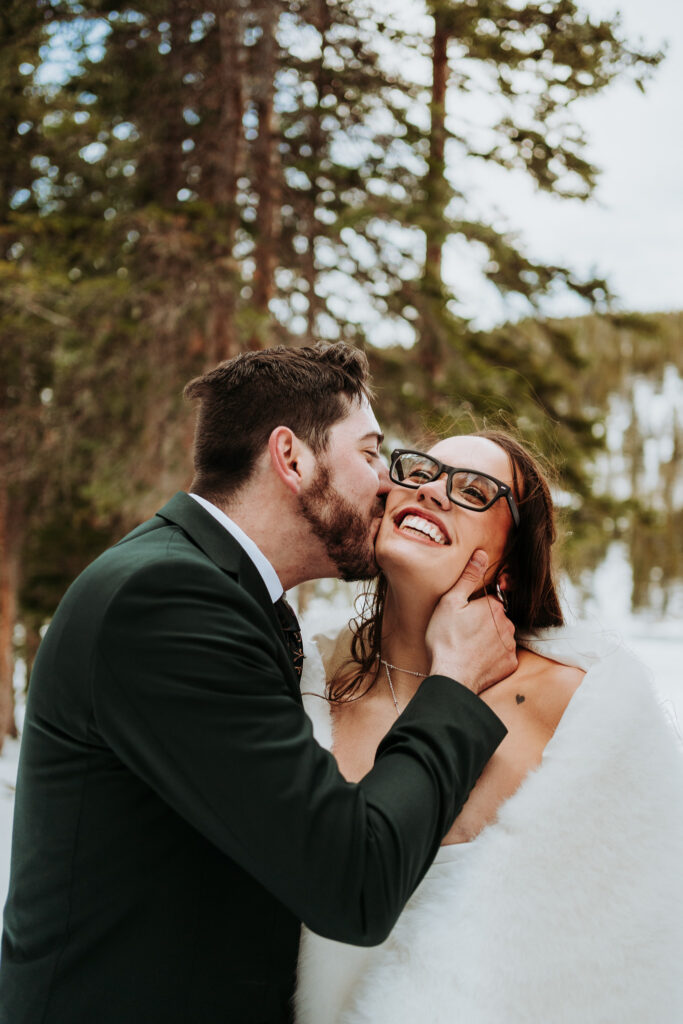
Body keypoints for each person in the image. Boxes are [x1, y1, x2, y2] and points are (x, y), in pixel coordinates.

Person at [0, 344, 516, 1024]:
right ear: (291, 458)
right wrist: (451, 683)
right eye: (368, 454)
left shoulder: (223, 594)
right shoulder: (167, 600)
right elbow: (349, 882)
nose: (388, 486)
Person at [295, 430, 683, 1024]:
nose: (433, 493)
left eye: (475, 491)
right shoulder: (306, 684)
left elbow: (636, 952)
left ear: (509, 567)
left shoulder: (582, 709)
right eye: (419, 471)